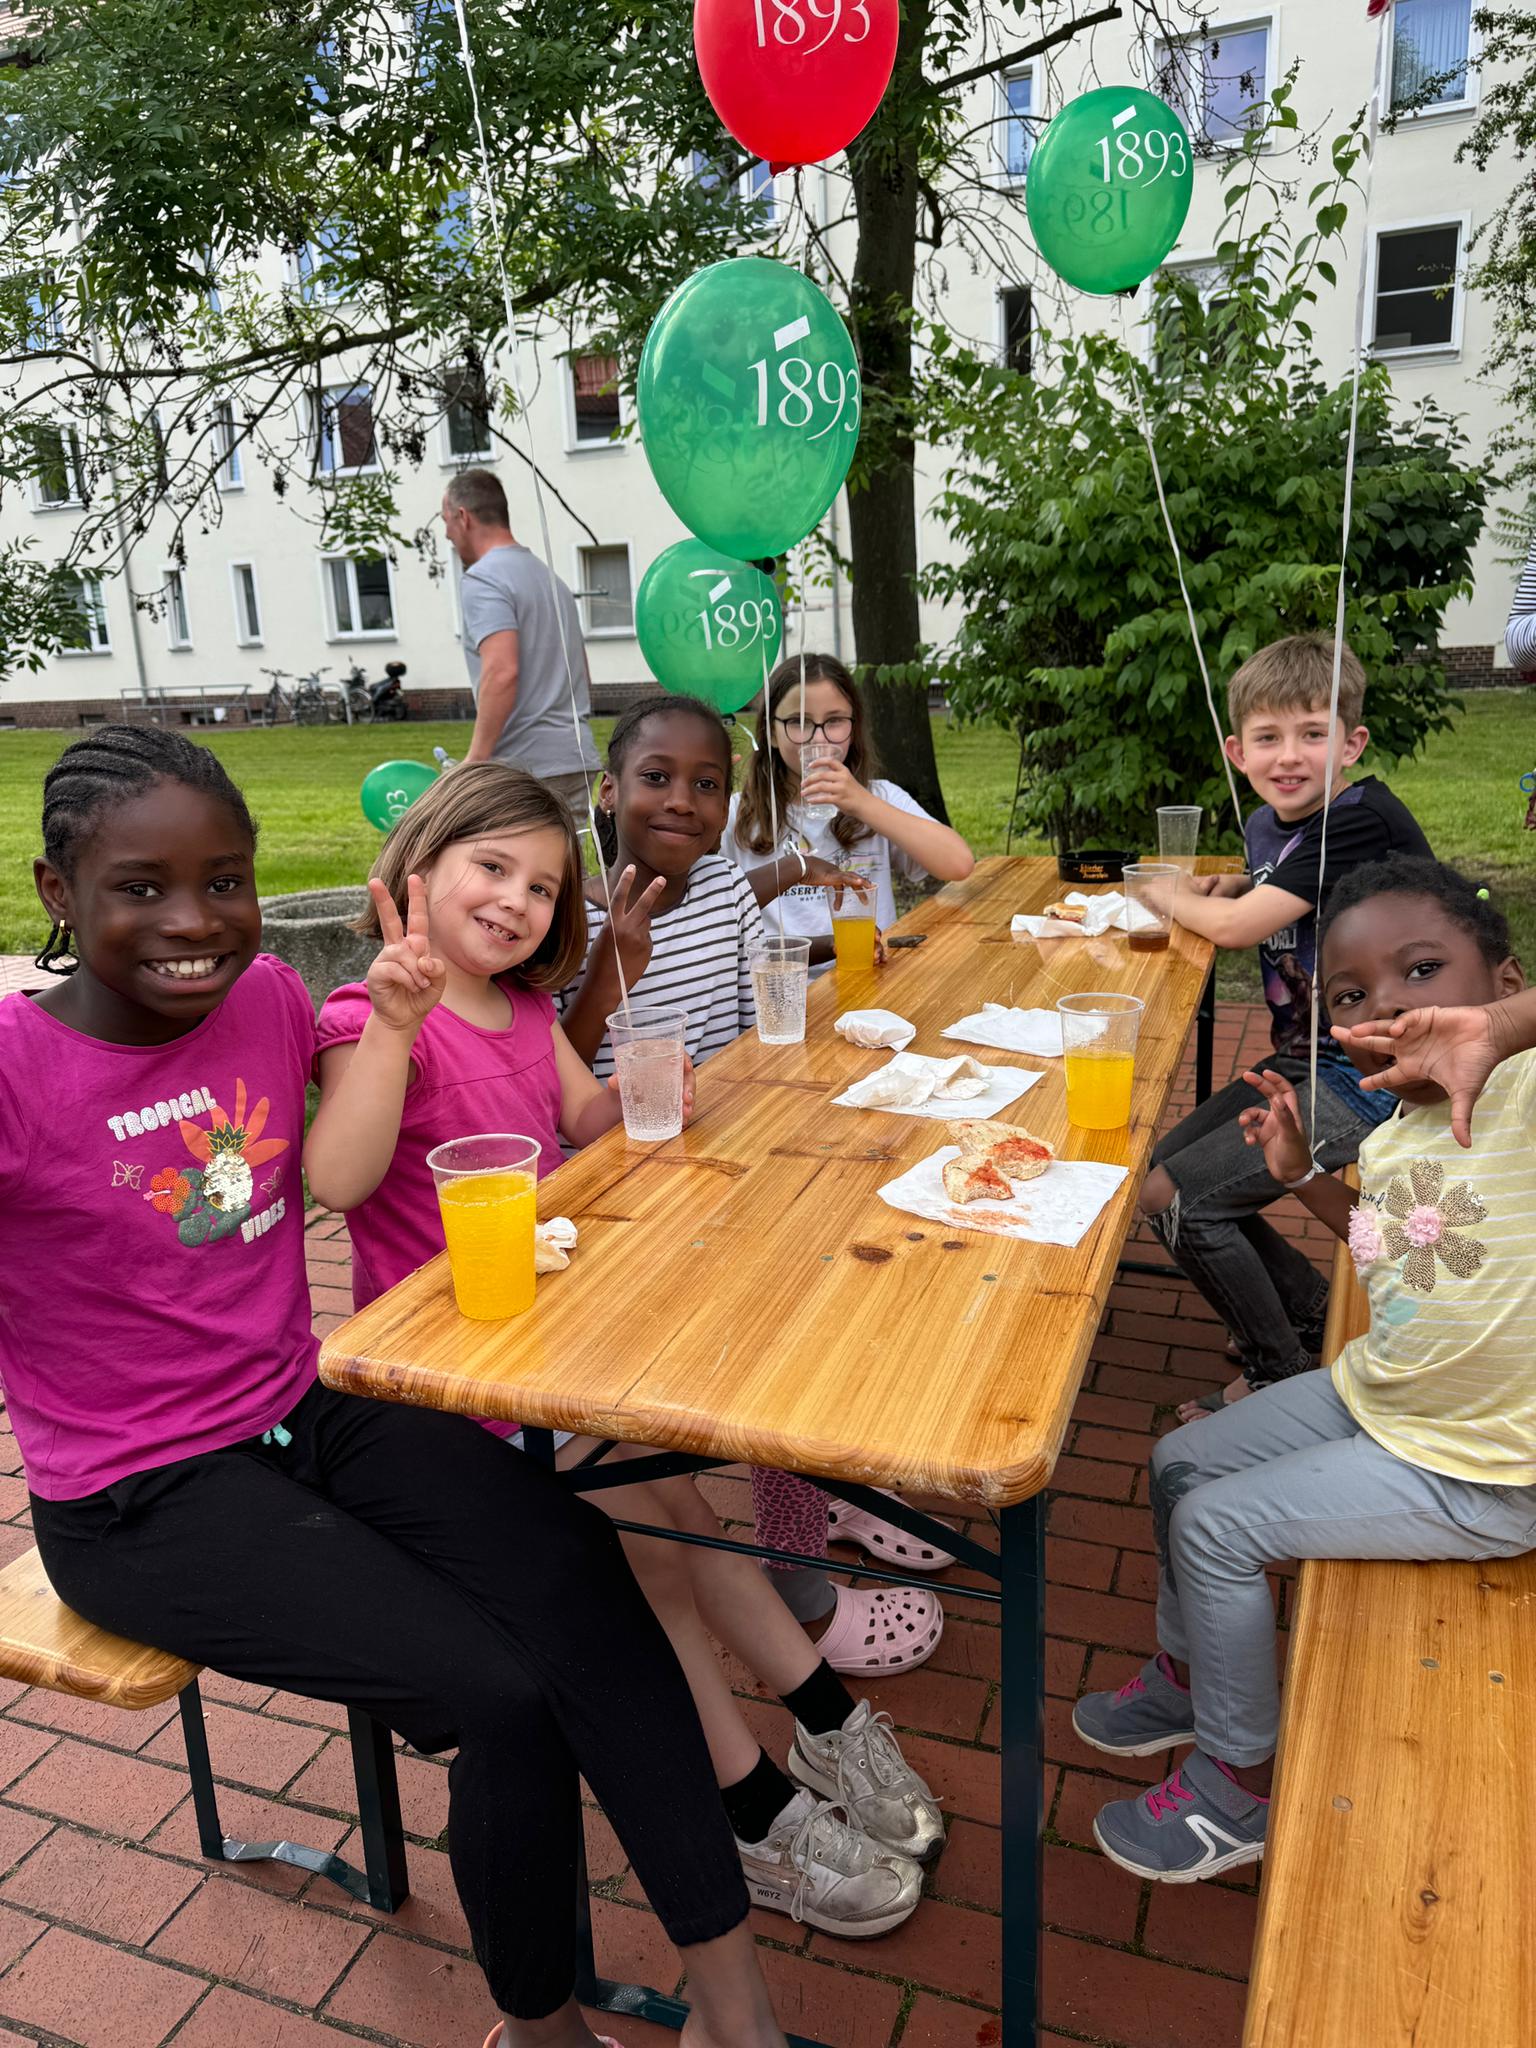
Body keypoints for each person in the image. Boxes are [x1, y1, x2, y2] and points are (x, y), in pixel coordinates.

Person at [5, 725, 785, 2048]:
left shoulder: (265, 1001)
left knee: (590, 1574)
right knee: (498, 1693)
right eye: (141, 887)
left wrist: (425, 1003)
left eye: (226, 881)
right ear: (56, 896)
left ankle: (736, 2011)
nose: (195, 921)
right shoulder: (19, 1069)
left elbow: (342, 1155)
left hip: (308, 1404)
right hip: (140, 1493)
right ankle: (541, 2031)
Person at [309, 758, 941, 1933]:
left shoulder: (527, 1007)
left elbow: (581, 1123)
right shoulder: (368, 1019)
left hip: (569, 1335)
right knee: (651, 1546)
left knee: (685, 1517)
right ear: (420, 867)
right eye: (490, 868)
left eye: (543, 887)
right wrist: (395, 1023)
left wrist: (652, 1090)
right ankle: (745, 1811)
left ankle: (830, 1724)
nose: (516, 901)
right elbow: (336, 1176)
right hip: (458, 1378)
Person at [1073, 857, 1536, 1883]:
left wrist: (1504, 1034)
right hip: (1390, 1394)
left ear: (1504, 982)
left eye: (1424, 969)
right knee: (1180, 1461)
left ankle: (1234, 1785)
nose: (1393, 1005)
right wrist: (1302, 1174)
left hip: (1488, 1467)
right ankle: (1193, 1673)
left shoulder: (1524, 1095)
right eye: (1356, 994)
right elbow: (1391, 1257)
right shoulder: (1404, 1120)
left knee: (1218, 1524)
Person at [560, 693, 954, 1669]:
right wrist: (613, 964)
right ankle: (799, 1579)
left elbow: (748, 1030)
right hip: (623, 1184)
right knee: (786, 1335)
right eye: (657, 778)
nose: (683, 800)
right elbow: (555, 1073)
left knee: (865, 1237)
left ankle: (840, 1483)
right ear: (610, 790)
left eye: (707, 782)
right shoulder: (564, 911)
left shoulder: (732, 887)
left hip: (724, 1149)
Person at [1142, 634, 1431, 1419]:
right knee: (1160, 1176)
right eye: (1268, 738)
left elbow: (1237, 931)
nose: (1290, 755)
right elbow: (1280, 884)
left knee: (1191, 1205)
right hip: (1304, 1057)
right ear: (1238, 750)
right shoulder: (1282, 822)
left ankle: (1280, 1369)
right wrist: (1238, 880)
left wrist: (1165, 893)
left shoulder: (1360, 819)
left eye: (1313, 733)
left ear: (1353, 742)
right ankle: (1300, 1308)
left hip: (1379, 1074)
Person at [723, 653, 974, 964]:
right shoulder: (736, 814)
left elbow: (958, 864)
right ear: (771, 732)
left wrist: (862, 802)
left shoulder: (878, 796)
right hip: (784, 990)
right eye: (799, 723)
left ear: (853, 728)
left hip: (871, 981)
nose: (819, 738)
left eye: (835, 721)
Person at [442, 467, 601, 817]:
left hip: (525, 768)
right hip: (575, 757)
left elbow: (501, 671)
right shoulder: (552, 581)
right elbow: (582, 675)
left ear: (463, 517)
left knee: (518, 870)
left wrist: (475, 762)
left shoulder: (483, 580)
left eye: (446, 522)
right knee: (567, 869)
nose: (446, 534)